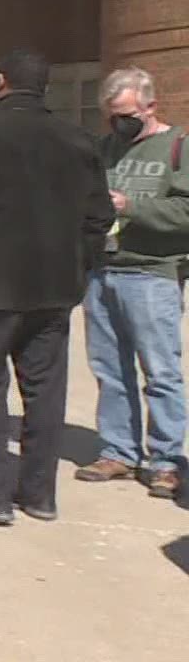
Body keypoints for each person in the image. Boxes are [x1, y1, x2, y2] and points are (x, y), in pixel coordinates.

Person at [0, 49, 115, 525]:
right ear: (44, 87)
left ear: (1, 81)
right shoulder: (78, 140)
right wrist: (81, 265)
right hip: (54, 290)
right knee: (45, 391)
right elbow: (100, 216)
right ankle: (39, 494)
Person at [77, 66, 189, 503]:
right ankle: (118, 451)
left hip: (152, 273)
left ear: (150, 106)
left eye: (126, 114)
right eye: (112, 115)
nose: (119, 123)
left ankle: (166, 461)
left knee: (160, 372)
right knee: (109, 370)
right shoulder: (104, 149)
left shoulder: (177, 147)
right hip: (102, 271)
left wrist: (131, 206)